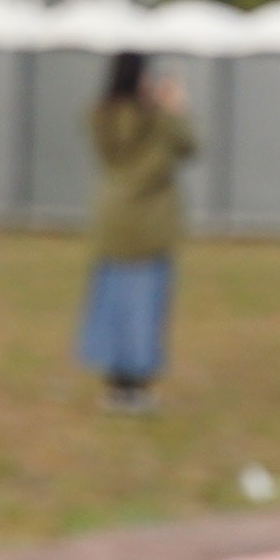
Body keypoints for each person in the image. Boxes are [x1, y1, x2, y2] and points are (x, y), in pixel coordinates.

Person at [76, 50, 195, 414]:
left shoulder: (101, 117)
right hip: (148, 226)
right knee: (144, 308)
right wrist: (173, 108)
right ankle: (137, 389)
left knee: (112, 304)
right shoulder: (156, 121)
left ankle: (115, 385)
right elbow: (189, 147)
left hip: (111, 221)